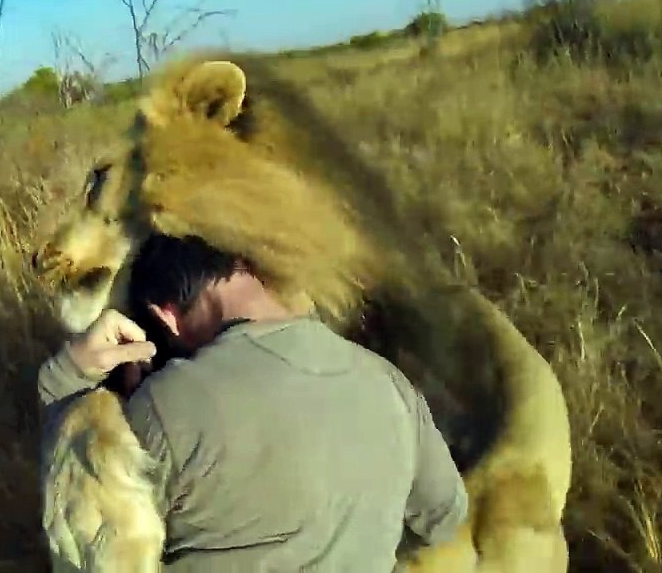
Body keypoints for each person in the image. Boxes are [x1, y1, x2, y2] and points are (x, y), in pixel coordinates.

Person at [37, 233, 469, 571]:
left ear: (165, 314)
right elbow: (445, 517)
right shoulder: (388, 382)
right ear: (249, 268)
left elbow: (86, 548)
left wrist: (67, 385)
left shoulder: (165, 406)